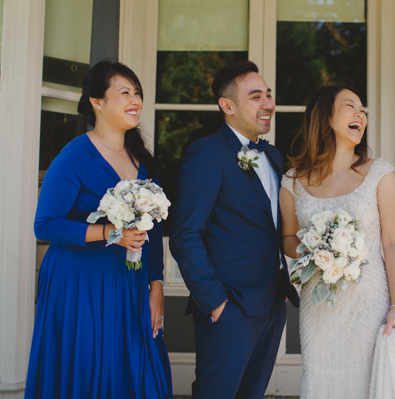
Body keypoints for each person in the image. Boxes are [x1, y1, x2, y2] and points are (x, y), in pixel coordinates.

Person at [26, 61, 172, 399]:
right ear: (97, 102)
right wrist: (110, 233)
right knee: (91, 367)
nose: (135, 99)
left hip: (131, 282)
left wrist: (157, 283)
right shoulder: (75, 156)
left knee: (139, 372)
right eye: (125, 93)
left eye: (137, 92)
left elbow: (152, 231)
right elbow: (45, 224)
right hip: (81, 283)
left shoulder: (143, 161)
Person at [169, 61, 299, 399]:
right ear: (227, 106)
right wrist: (215, 302)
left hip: (272, 302)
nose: (268, 103)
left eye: (268, 95)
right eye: (256, 96)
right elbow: (185, 235)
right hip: (231, 306)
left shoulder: (271, 154)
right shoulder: (208, 152)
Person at [280, 85, 395, 398]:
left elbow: (392, 243)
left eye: (363, 109)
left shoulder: (380, 173)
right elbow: (287, 238)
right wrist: (315, 249)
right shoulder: (293, 181)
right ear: (326, 117)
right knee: (321, 380)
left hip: (369, 302)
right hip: (319, 307)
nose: (361, 114)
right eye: (351, 106)